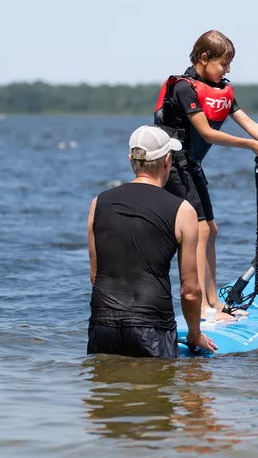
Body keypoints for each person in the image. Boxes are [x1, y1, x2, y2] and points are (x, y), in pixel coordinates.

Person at [154, 30, 258, 319]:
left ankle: (214, 302)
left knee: (210, 230)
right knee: (198, 231)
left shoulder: (222, 90)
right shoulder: (183, 88)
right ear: (204, 58)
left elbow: (250, 124)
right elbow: (206, 133)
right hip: (172, 165)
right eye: (224, 64)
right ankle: (200, 307)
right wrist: (250, 145)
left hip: (192, 166)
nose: (227, 70)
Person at [87, 125, 217, 357]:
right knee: (157, 390)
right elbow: (190, 290)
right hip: (152, 327)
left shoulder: (98, 203)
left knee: (106, 391)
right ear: (168, 160)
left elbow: (95, 277)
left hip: (102, 324)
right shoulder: (182, 210)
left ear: (131, 160)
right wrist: (194, 334)